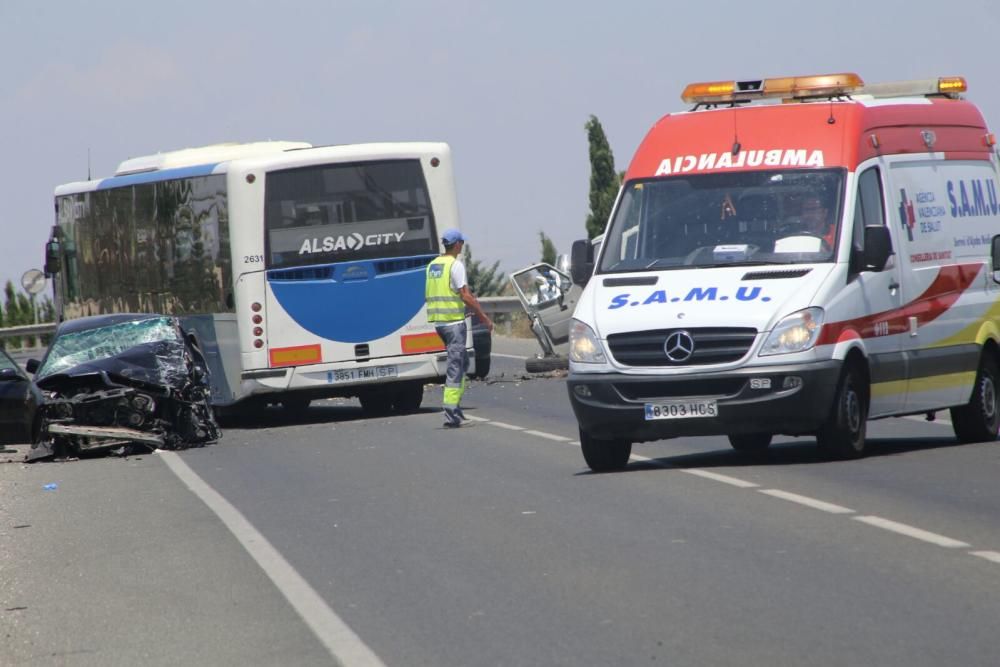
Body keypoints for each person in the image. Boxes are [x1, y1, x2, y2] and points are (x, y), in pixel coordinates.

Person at [425, 229, 494, 428]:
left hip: (440, 323)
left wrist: (460, 311)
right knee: (456, 367)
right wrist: (484, 318)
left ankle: (456, 409)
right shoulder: (455, 265)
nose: (462, 246)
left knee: (462, 363)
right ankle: (451, 414)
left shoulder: (433, 266)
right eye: (461, 243)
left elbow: (438, 294)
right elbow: (465, 295)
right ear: (457, 245)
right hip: (453, 324)